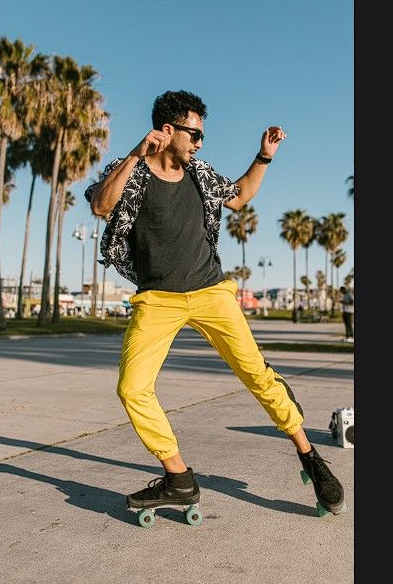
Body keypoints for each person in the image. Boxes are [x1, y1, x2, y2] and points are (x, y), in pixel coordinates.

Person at [85, 90, 344, 518]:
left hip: (211, 291)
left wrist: (264, 157)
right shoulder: (130, 172)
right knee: (132, 388)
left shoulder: (199, 173)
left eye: (201, 135)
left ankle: (310, 456)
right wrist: (134, 154)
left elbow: (239, 196)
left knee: (257, 374)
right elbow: (101, 205)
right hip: (157, 299)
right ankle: (179, 479)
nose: (200, 142)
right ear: (167, 132)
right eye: (194, 134)